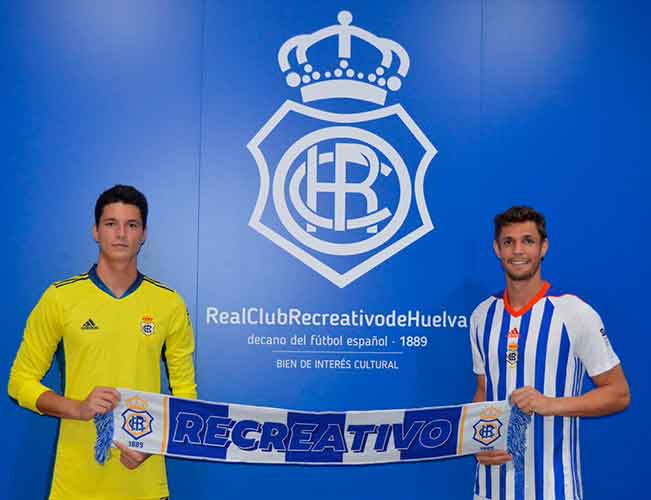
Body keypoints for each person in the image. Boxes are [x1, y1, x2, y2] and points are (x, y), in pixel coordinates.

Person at [8, 185, 197, 500]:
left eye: (131, 225)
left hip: (144, 484)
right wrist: (78, 408)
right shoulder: (60, 298)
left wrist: (152, 444)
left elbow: (186, 398)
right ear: (96, 231)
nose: (121, 233)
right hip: (75, 486)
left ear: (143, 234)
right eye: (111, 223)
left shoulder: (169, 304)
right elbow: (19, 382)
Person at [469, 206, 630, 500]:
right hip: (490, 489)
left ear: (544, 247)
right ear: (497, 249)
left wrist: (549, 404)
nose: (518, 251)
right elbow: (483, 389)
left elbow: (618, 394)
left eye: (528, 241)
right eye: (509, 242)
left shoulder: (574, 313)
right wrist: (478, 439)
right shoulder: (481, 315)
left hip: (554, 489)